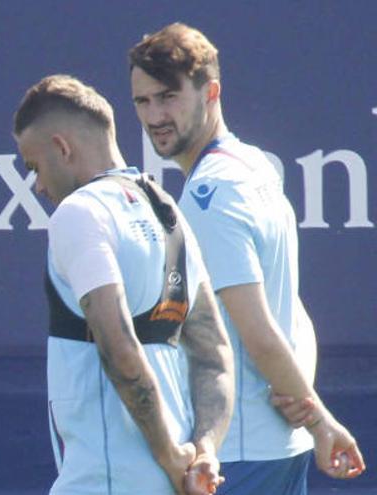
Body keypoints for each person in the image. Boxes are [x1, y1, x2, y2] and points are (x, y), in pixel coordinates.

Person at [128, 22, 365, 493]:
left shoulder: (210, 196)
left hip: (241, 454)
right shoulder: (254, 165)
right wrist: (308, 406)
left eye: (168, 97)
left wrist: (318, 420)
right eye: (143, 101)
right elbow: (293, 313)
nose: (155, 115)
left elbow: (257, 327)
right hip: (275, 444)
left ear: (210, 92)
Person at [13, 74, 234, 494]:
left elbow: (119, 349)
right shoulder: (169, 212)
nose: (39, 185)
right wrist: (203, 451)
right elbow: (215, 354)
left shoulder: (79, 213)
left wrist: (171, 456)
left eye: (35, 167)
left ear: (62, 147)